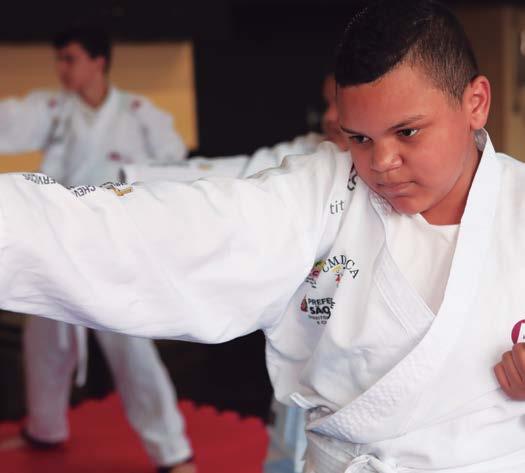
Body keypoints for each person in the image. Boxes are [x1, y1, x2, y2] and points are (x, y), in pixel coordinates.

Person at [0, 2, 524, 471]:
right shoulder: (327, 190)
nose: (382, 163)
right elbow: (188, 228)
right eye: (360, 138)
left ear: (475, 102)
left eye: (407, 132)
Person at [0, 27, 194, 473]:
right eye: (59, 60)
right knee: (44, 343)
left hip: (114, 251)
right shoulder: (52, 109)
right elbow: (11, 120)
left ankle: (172, 449)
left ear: (98, 62)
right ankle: (46, 427)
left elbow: (174, 162)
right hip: (57, 247)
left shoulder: (139, 113)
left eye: (69, 59)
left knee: (132, 349)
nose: (62, 69)